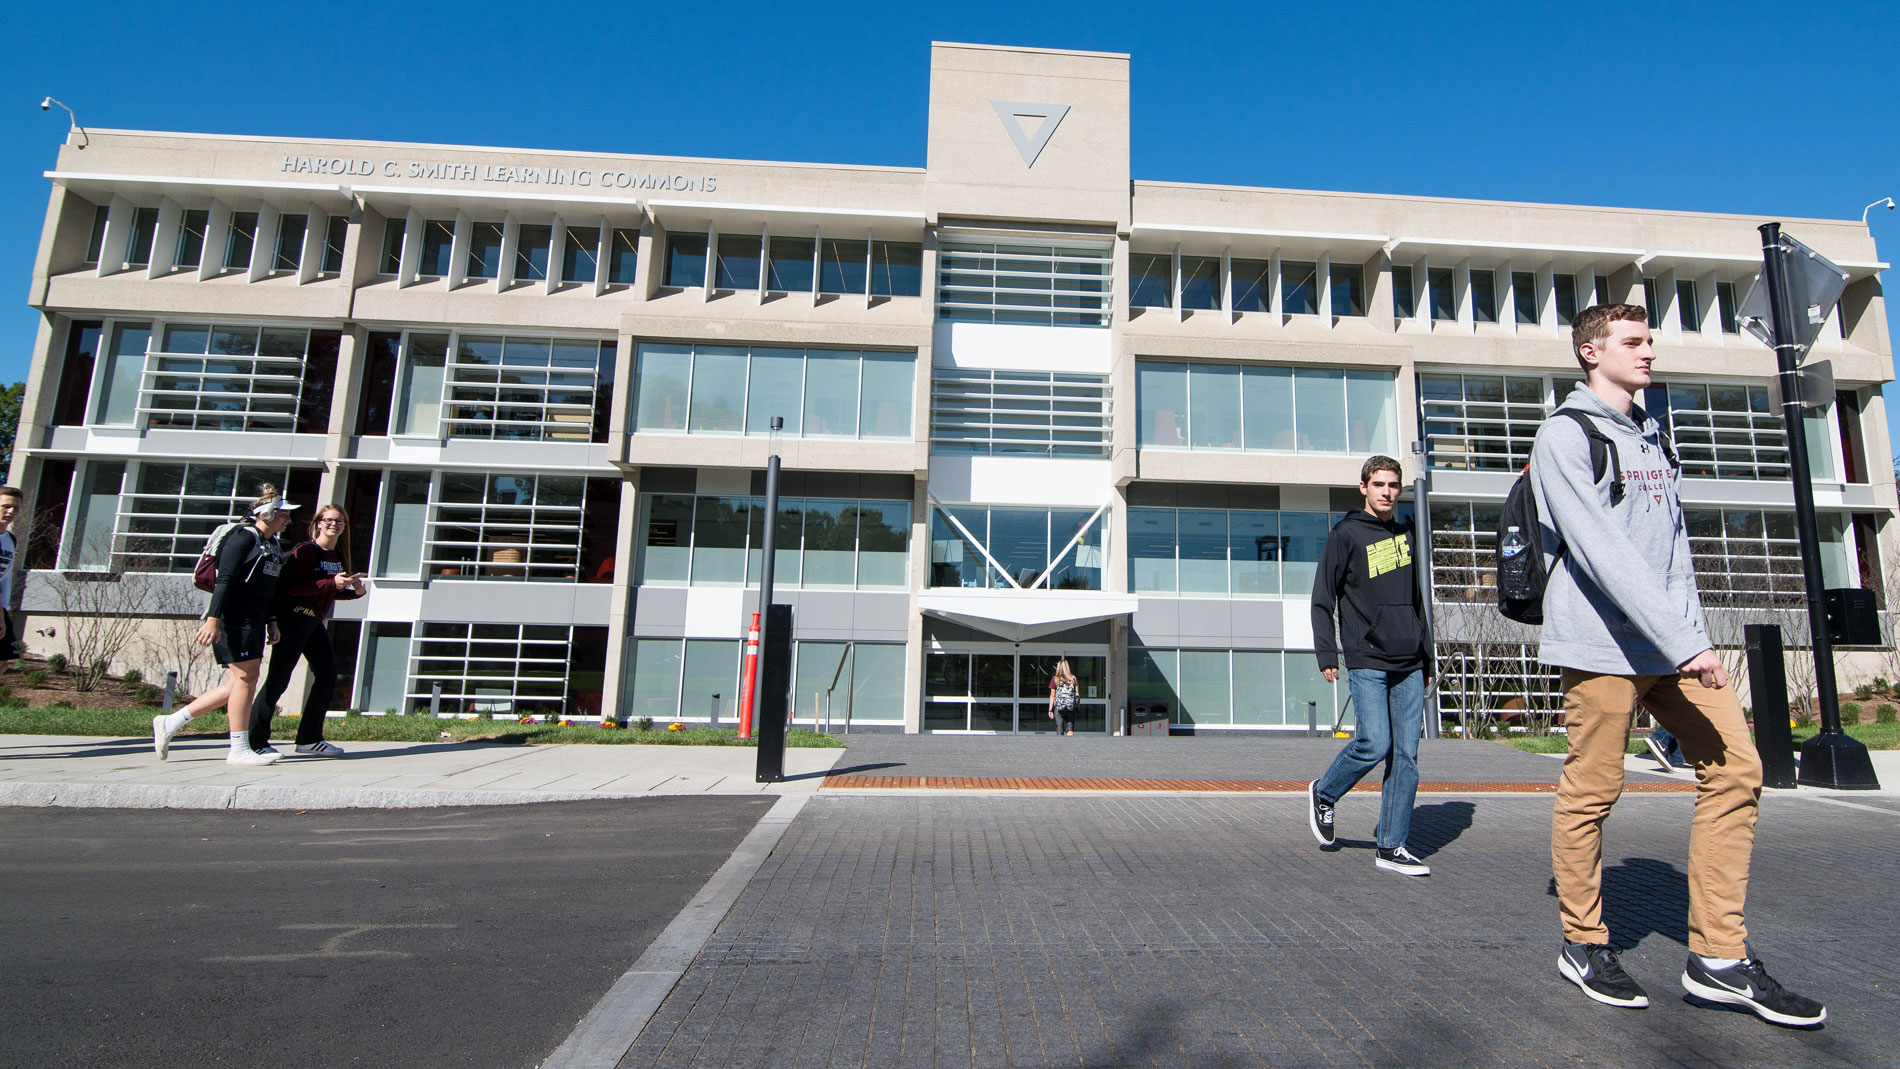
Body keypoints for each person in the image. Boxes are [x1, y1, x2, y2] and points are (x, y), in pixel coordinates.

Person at [1532, 303, 1824, 1025]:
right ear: (1590, 352)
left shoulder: (1654, 437)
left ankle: (1718, 957)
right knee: (1593, 789)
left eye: (1650, 339)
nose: (1649, 351)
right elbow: (1603, 551)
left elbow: (1674, 556)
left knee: (1738, 766)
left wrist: (1694, 635)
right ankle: (1584, 939)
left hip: (1671, 645)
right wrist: (1685, 640)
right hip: (1601, 645)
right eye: (1633, 341)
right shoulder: (1564, 435)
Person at [1306, 455, 1434, 877]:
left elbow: (1417, 602)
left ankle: (1392, 845)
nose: (1386, 491)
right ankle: (1325, 793)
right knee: (1374, 743)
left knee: (1407, 757)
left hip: (1409, 660)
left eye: (1393, 485)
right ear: (1363, 487)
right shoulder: (1345, 534)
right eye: (1378, 484)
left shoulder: (1406, 532)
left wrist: (1427, 654)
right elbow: (1323, 598)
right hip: (1366, 657)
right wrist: (1328, 653)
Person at [151, 486, 298, 765]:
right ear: (265, 513)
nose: (288, 519)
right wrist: (213, 620)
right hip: (233, 619)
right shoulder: (242, 538)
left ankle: (170, 723)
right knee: (245, 679)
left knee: (240, 682)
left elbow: (265, 589)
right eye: (283, 513)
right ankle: (239, 749)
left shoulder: (271, 544)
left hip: (254, 619)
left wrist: (271, 620)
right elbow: (225, 580)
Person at [247, 504, 365, 756]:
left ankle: (309, 739)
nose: (335, 524)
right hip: (293, 620)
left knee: (327, 675)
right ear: (318, 523)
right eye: (330, 520)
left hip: (313, 622)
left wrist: (354, 592)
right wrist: (332, 583)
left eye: (340, 521)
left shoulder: (336, 556)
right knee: (278, 679)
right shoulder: (306, 551)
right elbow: (289, 589)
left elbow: (323, 591)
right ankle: (255, 742)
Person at [0, 487, 21, 659]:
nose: (11, 511)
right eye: (6, 506)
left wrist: (4, 609)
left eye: (15, 508)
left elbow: (5, 577)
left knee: (6, 658)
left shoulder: (10, 539)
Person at [1048, 659, 1080, 736]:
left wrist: (1050, 709)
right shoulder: (1073, 678)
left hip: (1059, 708)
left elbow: (1052, 695)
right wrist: (1078, 707)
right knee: (1070, 729)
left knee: (1059, 728)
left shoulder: (1055, 679)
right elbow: (1077, 695)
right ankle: (1070, 745)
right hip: (1071, 708)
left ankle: (1060, 746)